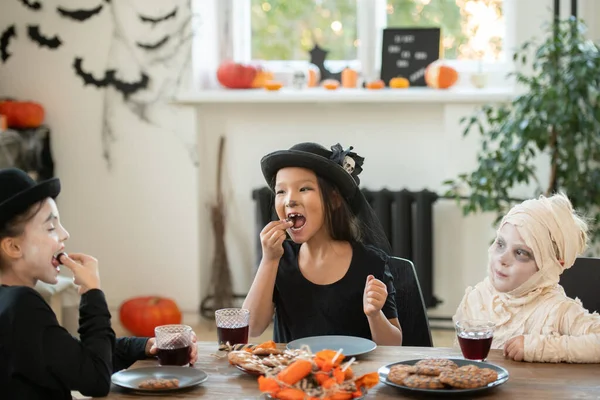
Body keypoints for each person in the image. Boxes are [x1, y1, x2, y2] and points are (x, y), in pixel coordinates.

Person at [0, 168, 197, 399]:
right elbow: (96, 378)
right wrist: (91, 292)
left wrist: (144, 346)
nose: (64, 234)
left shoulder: (11, 305)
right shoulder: (22, 305)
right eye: (51, 227)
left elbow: (77, 357)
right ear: (13, 247)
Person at [243, 142, 402, 345]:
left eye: (304, 188)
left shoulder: (371, 263)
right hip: (293, 374)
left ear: (334, 199)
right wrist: (269, 260)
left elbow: (394, 344)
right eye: (281, 191)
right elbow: (252, 328)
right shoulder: (279, 258)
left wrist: (374, 314)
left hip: (353, 374)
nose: (289, 200)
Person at [453, 193, 600, 363]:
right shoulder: (477, 298)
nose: (502, 259)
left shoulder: (556, 311)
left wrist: (539, 347)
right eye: (500, 244)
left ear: (549, 266)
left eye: (521, 253)